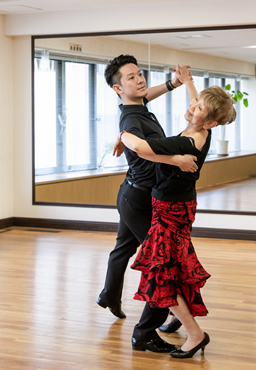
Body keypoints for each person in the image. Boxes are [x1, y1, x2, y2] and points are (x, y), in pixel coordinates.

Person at [119, 82, 236, 359]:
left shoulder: (188, 141)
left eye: (198, 108)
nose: (191, 105)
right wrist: (187, 80)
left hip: (169, 212)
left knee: (163, 274)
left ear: (210, 122)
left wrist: (122, 133)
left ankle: (195, 334)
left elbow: (141, 148)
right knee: (175, 267)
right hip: (178, 207)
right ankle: (179, 318)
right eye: (194, 102)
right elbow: (199, 102)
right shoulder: (199, 130)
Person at [97, 55, 195, 354]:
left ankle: (109, 295)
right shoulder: (130, 119)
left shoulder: (137, 106)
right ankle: (146, 331)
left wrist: (172, 84)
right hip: (138, 200)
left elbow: (144, 96)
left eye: (140, 74)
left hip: (134, 194)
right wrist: (175, 159)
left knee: (124, 248)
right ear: (117, 88)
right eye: (131, 77)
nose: (140, 80)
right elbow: (142, 147)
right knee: (161, 263)